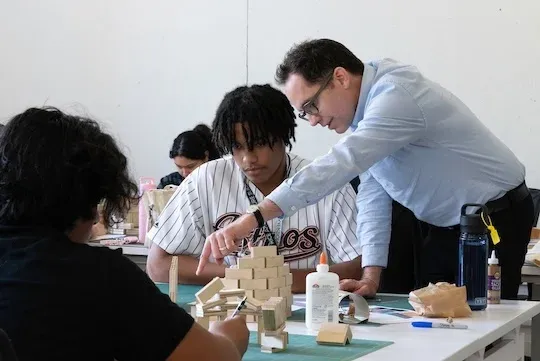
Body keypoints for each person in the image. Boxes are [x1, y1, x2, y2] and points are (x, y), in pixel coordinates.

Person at [198, 39, 533, 300]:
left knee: (482, 326)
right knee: (437, 318)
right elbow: (373, 195)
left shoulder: (396, 96)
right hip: (446, 225)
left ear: (340, 78)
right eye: (304, 113)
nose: (313, 120)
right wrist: (372, 275)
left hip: (494, 219)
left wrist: (253, 217)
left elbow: (341, 164)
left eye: (311, 106)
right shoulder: (366, 119)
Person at [0, 107, 248, 361]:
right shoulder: (99, 275)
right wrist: (229, 337)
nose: (97, 217)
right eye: (97, 202)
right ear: (82, 200)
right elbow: (216, 357)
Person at [147, 84, 362, 293]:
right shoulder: (205, 180)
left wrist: (276, 281)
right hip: (231, 310)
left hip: (305, 311)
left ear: (283, 137)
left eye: (259, 143)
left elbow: (360, 266)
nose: (248, 158)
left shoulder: (324, 180)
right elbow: (158, 265)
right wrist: (242, 276)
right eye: (237, 147)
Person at [158, 124, 220, 189]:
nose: (185, 173)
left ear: (206, 157)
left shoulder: (219, 181)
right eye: (179, 166)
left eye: (190, 166)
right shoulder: (168, 182)